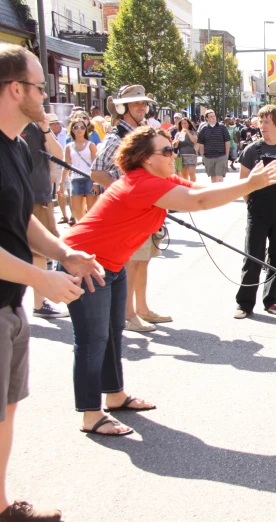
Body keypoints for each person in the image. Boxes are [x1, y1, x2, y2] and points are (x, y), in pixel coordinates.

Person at [62, 126, 276, 437]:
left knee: (111, 334)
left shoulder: (159, 180)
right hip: (83, 263)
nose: (173, 154)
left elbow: (199, 194)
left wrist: (248, 183)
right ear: (145, 159)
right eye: (166, 151)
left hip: (110, 265)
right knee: (92, 341)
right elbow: (199, 201)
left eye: (173, 147)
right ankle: (90, 413)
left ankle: (115, 396)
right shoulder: (141, 183)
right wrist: (250, 183)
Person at [0, 42, 105, 522]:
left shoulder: (20, 145)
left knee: (7, 408)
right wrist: (42, 278)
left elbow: (22, 221)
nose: (48, 96)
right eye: (42, 87)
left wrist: (64, 253)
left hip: (9, 303)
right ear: (15, 88)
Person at [91, 84, 171, 333]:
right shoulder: (116, 137)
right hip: (127, 212)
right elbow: (96, 171)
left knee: (144, 259)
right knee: (132, 262)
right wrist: (126, 191)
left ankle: (142, 309)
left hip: (145, 209)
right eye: (137, 103)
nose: (142, 107)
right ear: (123, 107)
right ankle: (128, 315)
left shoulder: (143, 135)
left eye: (144, 103)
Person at [234, 106, 276, 319]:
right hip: (258, 211)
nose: (263, 127)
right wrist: (252, 205)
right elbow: (243, 182)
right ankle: (244, 303)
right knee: (253, 255)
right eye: (261, 122)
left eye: (267, 122)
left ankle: (271, 300)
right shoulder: (252, 150)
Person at [20, 116, 67, 320]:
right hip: (13, 196)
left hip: (38, 195)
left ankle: (39, 303)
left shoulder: (36, 126)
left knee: (38, 251)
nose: (43, 96)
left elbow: (58, 155)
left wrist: (46, 129)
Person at [63, 117, 99, 222]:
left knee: (92, 210)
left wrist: (96, 182)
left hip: (89, 178)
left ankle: (92, 232)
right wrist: (61, 183)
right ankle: (83, 230)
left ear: (85, 129)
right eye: (76, 127)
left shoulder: (91, 145)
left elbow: (96, 164)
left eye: (82, 127)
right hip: (75, 179)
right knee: (77, 211)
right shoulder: (69, 147)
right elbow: (67, 165)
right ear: (72, 129)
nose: (79, 129)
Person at [49, 113, 71, 226]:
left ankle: (73, 215)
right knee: (60, 191)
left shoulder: (67, 133)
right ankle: (65, 215)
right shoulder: (48, 135)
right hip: (56, 167)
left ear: (57, 124)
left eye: (52, 124)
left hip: (69, 165)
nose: (52, 127)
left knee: (71, 191)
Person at [196, 110, 231, 183]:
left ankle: (220, 193)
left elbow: (227, 142)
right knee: (213, 177)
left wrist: (226, 155)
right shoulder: (204, 129)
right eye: (211, 116)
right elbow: (201, 143)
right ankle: (215, 193)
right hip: (208, 157)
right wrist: (203, 156)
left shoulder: (222, 127)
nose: (213, 118)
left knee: (219, 176)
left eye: (214, 116)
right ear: (207, 118)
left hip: (221, 156)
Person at [173, 116, 198, 183]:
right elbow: (175, 146)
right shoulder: (178, 133)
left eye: (185, 123)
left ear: (188, 124)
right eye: (182, 123)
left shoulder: (192, 132)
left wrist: (187, 132)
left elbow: (194, 141)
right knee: (184, 176)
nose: (183, 125)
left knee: (192, 174)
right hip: (181, 156)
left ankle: (193, 187)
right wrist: (178, 139)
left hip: (191, 155)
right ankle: (187, 189)